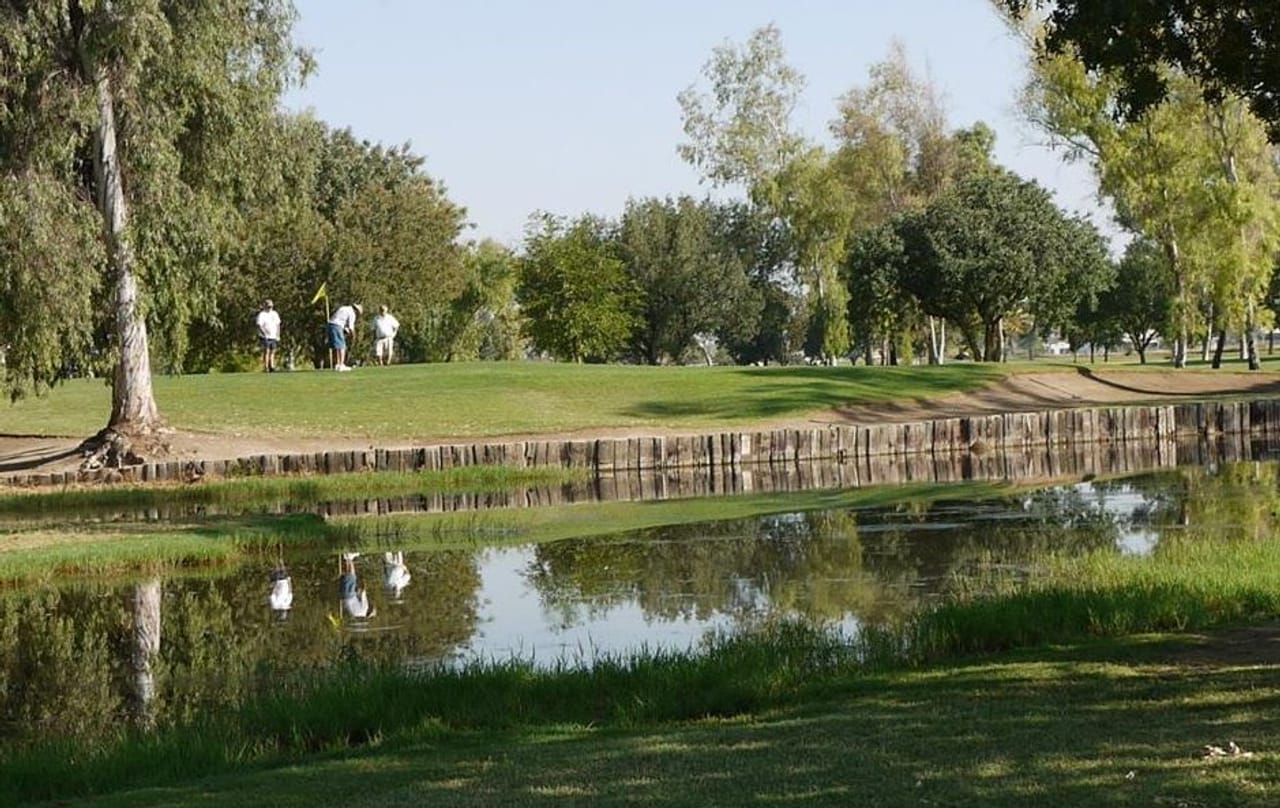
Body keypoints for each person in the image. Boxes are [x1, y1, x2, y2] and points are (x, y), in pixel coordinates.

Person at [326, 302, 363, 371]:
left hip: (330, 325)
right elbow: (351, 327)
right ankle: (341, 365)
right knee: (342, 346)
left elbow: (340, 320)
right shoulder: (352, 313)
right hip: (337, 326)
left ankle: (337, 364)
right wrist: (353, 336)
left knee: (337, 346)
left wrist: (346, 330)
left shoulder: (343, 307)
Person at [338, 552, 375, 619]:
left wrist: (364, 585)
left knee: (352, 575)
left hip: (350, 595)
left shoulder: (365, 608)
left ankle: (350, 557)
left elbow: (363, 594)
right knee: (347, 575)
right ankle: (346, 558)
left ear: (369, 610)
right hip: (343, 597)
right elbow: (356, 598)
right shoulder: (357, 614)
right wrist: (358, 591)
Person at [255, 299, 281, 372]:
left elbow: (278, 325)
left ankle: (272, 366)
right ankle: (266, 367)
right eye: (268, 306)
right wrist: (263, 333)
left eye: (271, 306)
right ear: (265, 306)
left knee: (273, 351)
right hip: (265, 336)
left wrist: (278, 334)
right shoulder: (262, 314)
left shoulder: (275, 314)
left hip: (273, 336)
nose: (270, 308)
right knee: (267, 351)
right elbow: (259, 325)